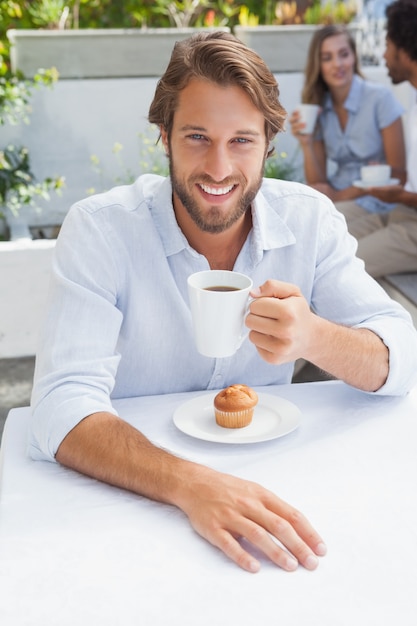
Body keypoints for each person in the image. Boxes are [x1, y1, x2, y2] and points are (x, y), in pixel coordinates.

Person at [30, 31, 417, 574]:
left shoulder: (308, 221)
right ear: (163, 136)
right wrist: (194, 485)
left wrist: (314, 336)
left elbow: (401, 354)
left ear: (268, 145)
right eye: (196, 137)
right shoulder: (102, 231)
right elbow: (59, 404)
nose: (217, 168)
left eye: (241, 141)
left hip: (276, 487)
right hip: (128, 498)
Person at [289, 23, 407, 268]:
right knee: (303, 236)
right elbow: (317, 181)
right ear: (318, 65)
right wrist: (307, 143)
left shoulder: (379, 99)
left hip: (376, 202)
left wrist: (340, 195)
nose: (337, 64)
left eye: (344, 54)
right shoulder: (318, 106)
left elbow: (398, 174)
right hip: (339, 201)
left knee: (321, 249)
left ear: (354, 56)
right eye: (327, 58)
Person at [335, 0, 417, 277]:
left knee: (342, 267)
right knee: (325, 241)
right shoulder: (414, 103)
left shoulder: (387, 100)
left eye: (387, 46)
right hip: (403, 212)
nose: (383, 56)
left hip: (411, 224)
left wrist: (401, 194)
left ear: (405, 49)